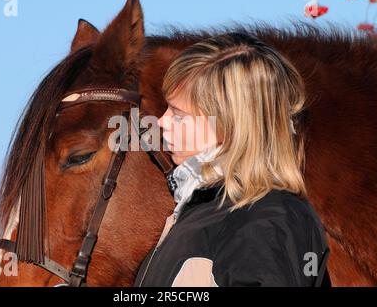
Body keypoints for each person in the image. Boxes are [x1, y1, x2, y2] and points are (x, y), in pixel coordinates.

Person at [133, 32, 330, 287]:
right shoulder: (202, 213)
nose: (161, 122)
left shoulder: (268, 218)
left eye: (179, 114)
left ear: (232, 125)